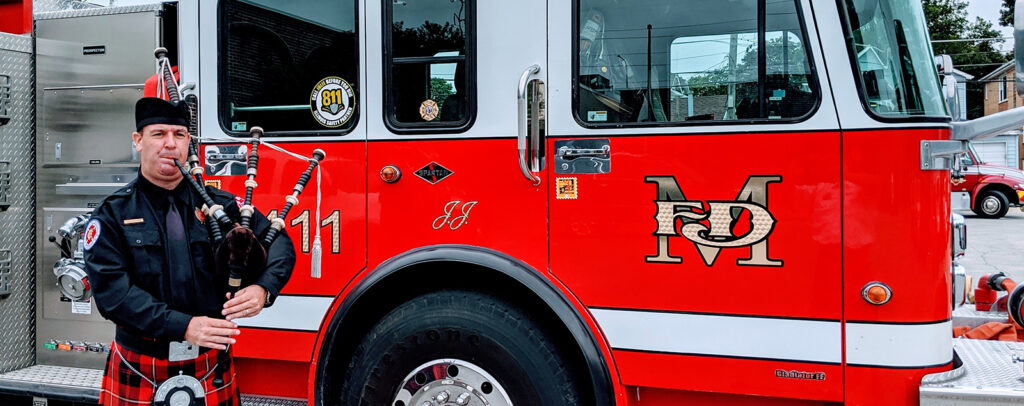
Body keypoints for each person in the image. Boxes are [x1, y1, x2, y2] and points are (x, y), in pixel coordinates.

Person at [83, 97, 296, 406]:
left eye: (179, 135)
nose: (171, 144)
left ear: (188, 143)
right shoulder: (113, 213)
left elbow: (278, 241)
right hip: (141, 364)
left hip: (210, 365)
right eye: (159, 134)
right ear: (138, 140)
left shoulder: (220, 205)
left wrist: (265, 288)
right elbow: (113, 295)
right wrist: (183, 326)